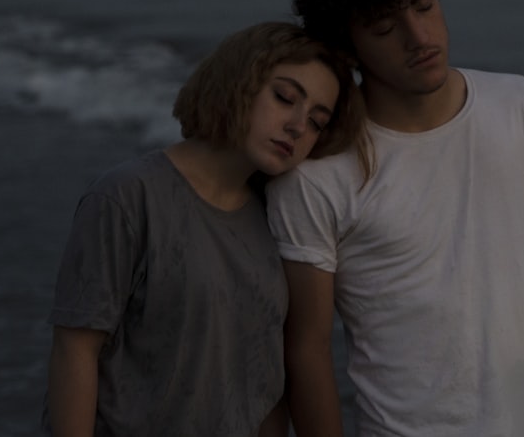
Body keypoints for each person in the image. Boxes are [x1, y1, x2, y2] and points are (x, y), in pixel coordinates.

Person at [268, 0, 524, 436]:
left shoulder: (518, 105)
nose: (418, 35)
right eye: (385, 26)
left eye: (424, 6)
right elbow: (305, 349)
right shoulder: (317, 174)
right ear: (346, 46)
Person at [41, 22, 367, 437]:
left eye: (318, 122)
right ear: (238, 80)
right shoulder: (127, 196)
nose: (298, 126)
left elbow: (264, 385)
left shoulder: (276, 217)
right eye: (285, 98)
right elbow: (75, 350)